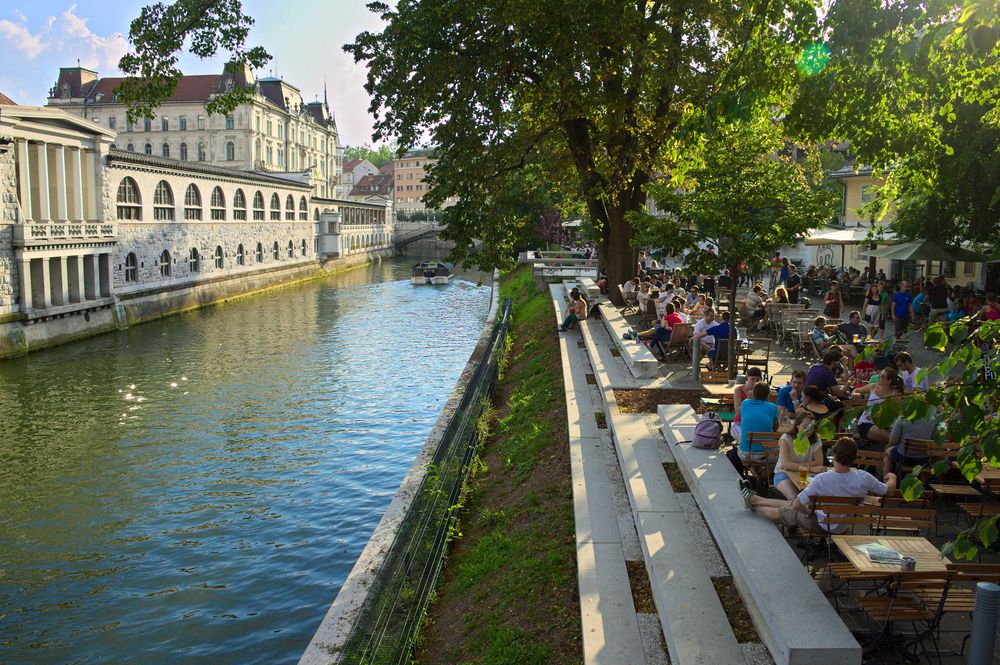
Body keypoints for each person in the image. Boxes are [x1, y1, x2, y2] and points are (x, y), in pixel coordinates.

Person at [742, 438, 897, 534]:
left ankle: (754, 506)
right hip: (843, 525)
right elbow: (888, 490)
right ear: (854, 458)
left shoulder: (822, 479)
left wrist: (809, 512)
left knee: (782, 512)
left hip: (821, 525)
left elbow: (797, 505)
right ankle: (755, 499)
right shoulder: (863, 477)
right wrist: (892, 476)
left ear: (834, 456)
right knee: (792, 505)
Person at [772, 411, 825, 500]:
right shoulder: (786, 438)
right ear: (797, 425)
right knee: (795, 498)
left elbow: (819, 462)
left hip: (807, 475)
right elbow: (786, 465)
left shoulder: (815, 439)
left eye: (811, 427)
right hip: (783, 473)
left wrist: (794, 466)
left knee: (817, 496)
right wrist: (810, 467)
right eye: (805, 427)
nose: (808, 430)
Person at [853, 368, 905, 446]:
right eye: (879, 375)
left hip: (887, 425)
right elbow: (856, 390)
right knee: (893, 440)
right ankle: (885, 456)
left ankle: (885, 456)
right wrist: (855, 394)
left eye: (882, 376)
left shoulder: (895, 393)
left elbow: (899, 413)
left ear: (889, 381)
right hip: (866, 423)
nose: (878, 377)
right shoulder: (873, 387)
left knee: (897, 439)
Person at [737, 381, 778, 462]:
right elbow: (776, 428)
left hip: (745, 453)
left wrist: (748, 397)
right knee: (781, 453)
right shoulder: (772, 407)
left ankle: (756, 473)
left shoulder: (745, 403)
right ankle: (762, 474)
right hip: (765, 455)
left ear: (753, 393)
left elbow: (739, 414)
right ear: (768, 395)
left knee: (741, 433)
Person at [730, 367, 763, 441]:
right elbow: (738, 412)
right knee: (745, 439)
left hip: (755, 423)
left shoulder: (761, 391)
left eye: (757, 380)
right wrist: (748, 399)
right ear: (747, 377)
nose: (755, 382)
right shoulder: (738, 390)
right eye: (752, 379)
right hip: (739, 423)